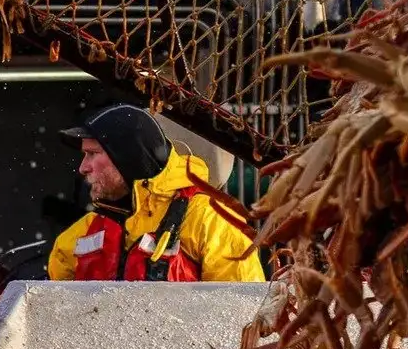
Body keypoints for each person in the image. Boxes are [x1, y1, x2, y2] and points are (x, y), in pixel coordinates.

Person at [48, 105, 266, 283]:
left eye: (92, 154)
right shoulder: (83, 231)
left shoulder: (212, 219)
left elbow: (241, 316)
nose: (83, 167)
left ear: (128, 157)